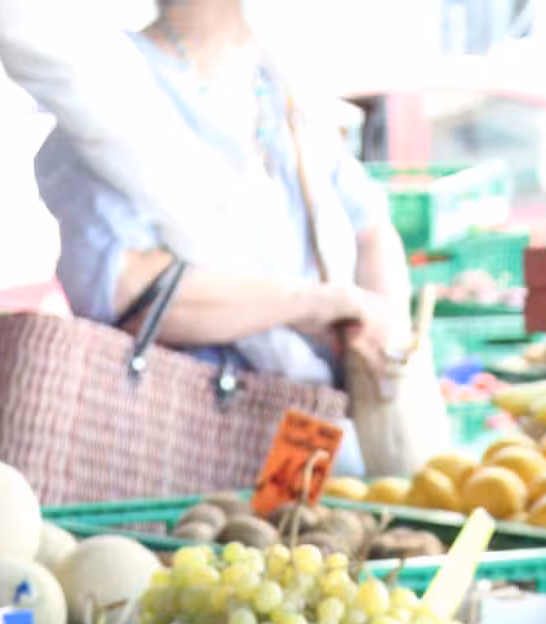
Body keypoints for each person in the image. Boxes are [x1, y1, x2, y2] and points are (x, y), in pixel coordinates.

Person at [31, 0, 412, 396]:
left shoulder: (276, 90)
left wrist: (388, 341)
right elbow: (123, 290)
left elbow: (370, 229)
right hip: (185, 431)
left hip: (317, 430)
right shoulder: (116, 90)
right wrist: (313, 304)